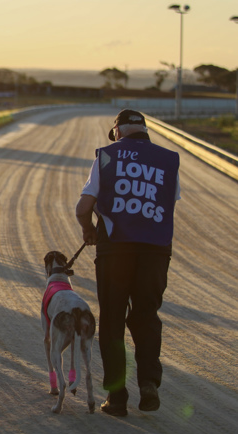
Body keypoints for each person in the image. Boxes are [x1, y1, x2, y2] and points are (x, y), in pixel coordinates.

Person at [75, 109, 181, 416]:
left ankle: (117, 396)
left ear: (117, 132)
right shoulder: (168, 160)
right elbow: (164, 203)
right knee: (146, 317)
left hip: (115, 251)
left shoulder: (107, 157)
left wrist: (90, 230)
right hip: (156, 252)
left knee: (112, 320)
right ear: (146, 131)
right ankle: (148, 383)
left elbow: (83, 208)